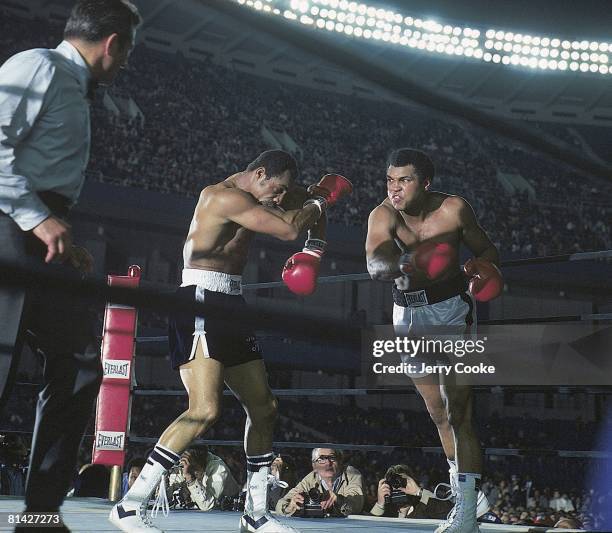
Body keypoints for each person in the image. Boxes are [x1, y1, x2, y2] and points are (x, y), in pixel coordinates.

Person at [110, 149, 351, 533]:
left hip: (231, 302)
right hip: (201, 300)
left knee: (265, 405)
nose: (278, 197)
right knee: (204, 409)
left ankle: (255, 515)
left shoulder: (266, 192)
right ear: (258, 174)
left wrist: (314, 250)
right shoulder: (221, 196)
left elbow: (310, 212)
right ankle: (130, 505)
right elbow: (291, 227)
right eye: (276, 189)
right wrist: (318, 200)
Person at [0, 0, 141, 524]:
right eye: (127, 52)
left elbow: (44, 179)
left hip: (41, 232)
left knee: (81, 365)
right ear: (113, 44)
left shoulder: (74, 87)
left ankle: (40, 513)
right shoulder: (37, 65)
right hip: (8, 226)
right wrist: (37, 220)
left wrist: (58, 232)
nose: (125, 63)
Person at [365, 148, 503, 533]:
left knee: (458, 410)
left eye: (404, 180)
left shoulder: (455, 209)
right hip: (405, 316)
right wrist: (413, 262)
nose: (394, 188)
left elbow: (487, 248)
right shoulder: (383, 215)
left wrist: (481, 267)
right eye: (390, 180)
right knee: (437, 412)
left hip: (450, 312)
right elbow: (375, 266)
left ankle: (467, 515)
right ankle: (468, 497)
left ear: (425, 182)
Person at [275, 448, 364, 517]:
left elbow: (357, 506)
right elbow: (280, 504)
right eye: (321, 459)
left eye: (332, 458)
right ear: (314, 466)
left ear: (340, 461)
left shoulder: (351, 473)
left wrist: (338, 499)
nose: (328, 463)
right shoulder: (311, 477)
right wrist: (290, 506)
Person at [167, 447, 239, 511]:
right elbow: (163, 499)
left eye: (193, 467)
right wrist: (163, 475)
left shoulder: (218, 468)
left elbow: (207, 506)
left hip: (226, 514)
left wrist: (190, 478)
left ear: (201, 462)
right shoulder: (183, 464)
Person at [370, 464, 453, 519]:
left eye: (403, 482)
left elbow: (451, 514)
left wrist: (419, 492)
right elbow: (367, 528)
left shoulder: (424, 506)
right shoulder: (386, 511)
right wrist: (380, 504)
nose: (398, 487)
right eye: (393, 483)